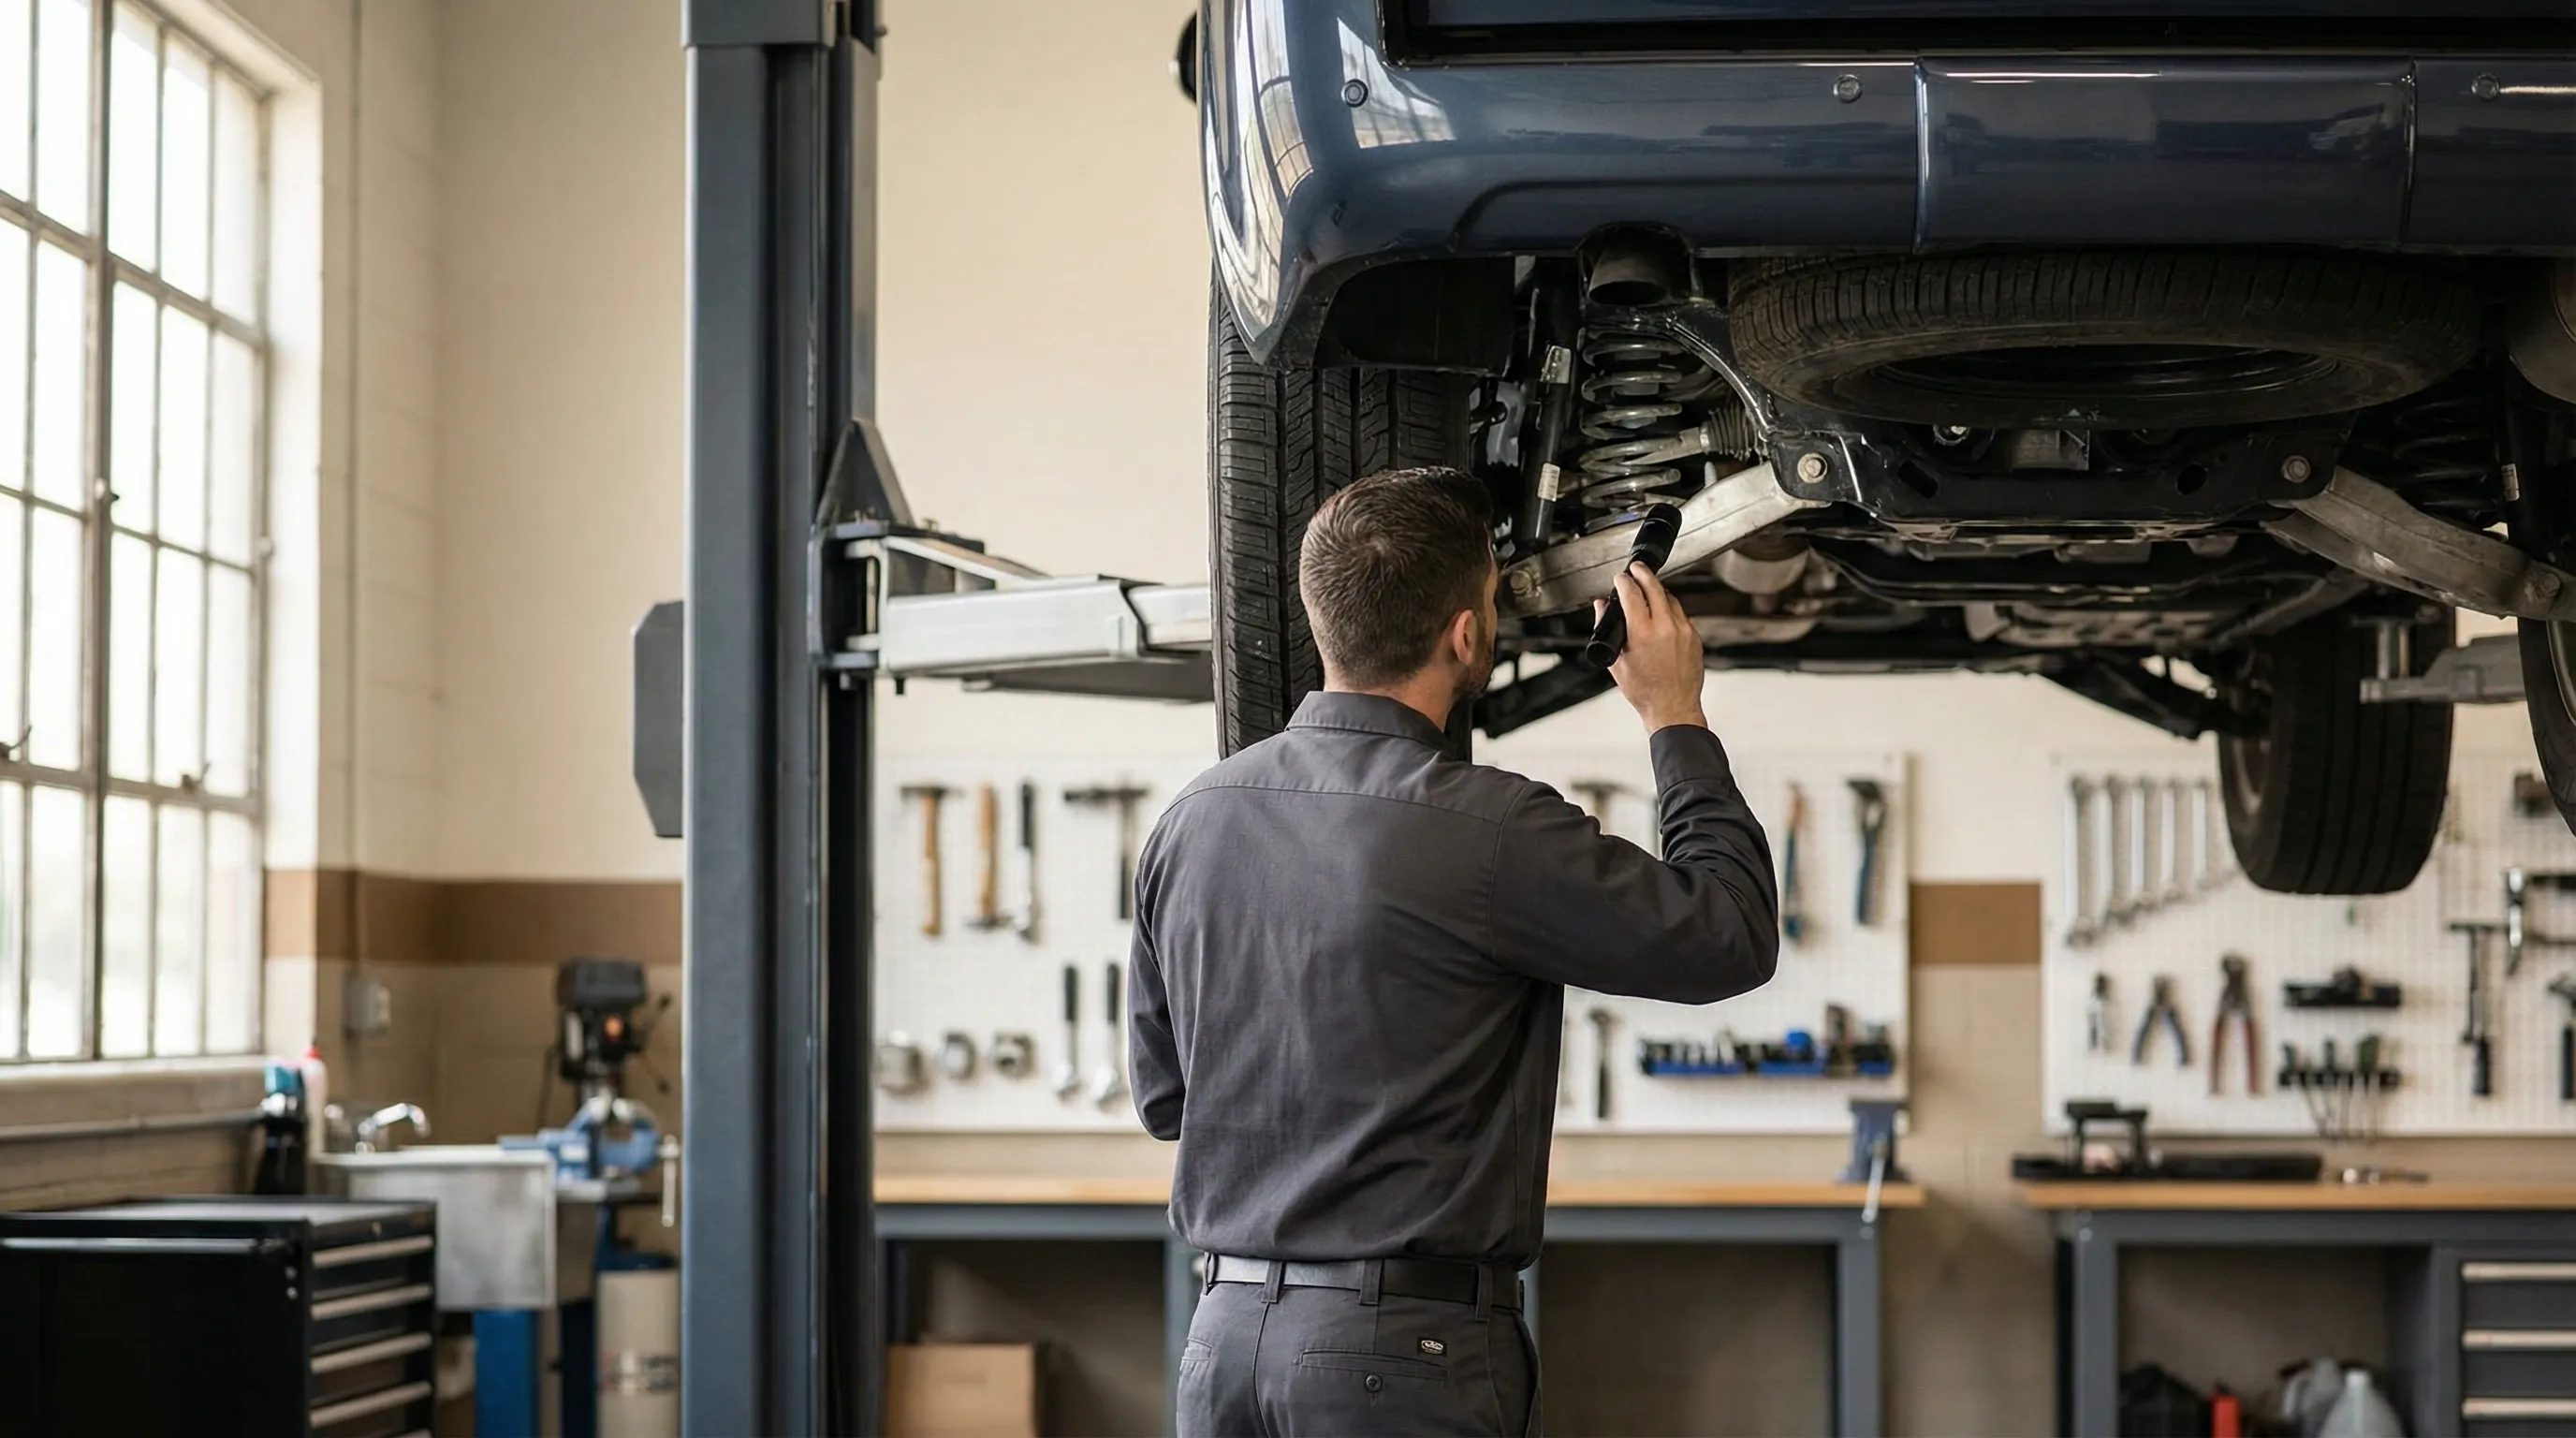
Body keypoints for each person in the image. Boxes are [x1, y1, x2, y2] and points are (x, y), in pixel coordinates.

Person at [1125, 465, 1780, 1436]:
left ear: (1325, 622)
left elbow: (1165, 1100)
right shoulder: (1489, 827)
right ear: (1466, 634)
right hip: (1393, 1358)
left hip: (1220, 1349)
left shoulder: (1192, 818)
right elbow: (1727, 934)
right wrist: (1672, 714)